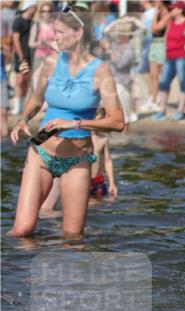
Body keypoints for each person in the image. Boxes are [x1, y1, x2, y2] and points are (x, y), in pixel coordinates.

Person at [7, 4, 124, 238]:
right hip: (42, 148)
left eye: (60, 32)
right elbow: (36, 100)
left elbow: (117, 121)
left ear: (78, 33)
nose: (55, 37)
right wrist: (23, 119)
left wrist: (75, 124)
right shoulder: (51, 63)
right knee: (22, 230)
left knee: (71, 238)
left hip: (77, 158)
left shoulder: (100, 71)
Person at [154, 1, 185, 121]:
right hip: (169, 56)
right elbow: (156, 29)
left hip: (182, 56)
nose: (171, 11)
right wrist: (168, 15)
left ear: (180, 10)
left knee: (183, 83)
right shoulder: (170, 22)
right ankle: (162, 110)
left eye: (173, 9)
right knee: (163, 83)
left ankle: (180, 110)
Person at [10, 1, 35, 116]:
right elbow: (15, 39)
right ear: (29, 7)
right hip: (20, 55)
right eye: (33, 7)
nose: (35, 9)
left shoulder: (32, 22)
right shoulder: (18, 21)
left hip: (30, 55)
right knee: (19, 81)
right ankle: (16, 106)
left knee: (26, 80)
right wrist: (21, 56)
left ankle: (22, 106)